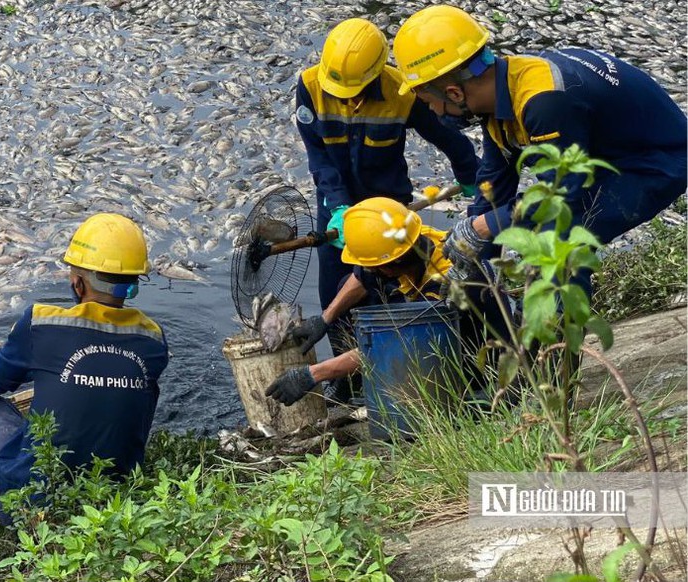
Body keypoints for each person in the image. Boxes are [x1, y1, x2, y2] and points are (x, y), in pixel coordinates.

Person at [391, 5, 688, 294]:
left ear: (454, 93)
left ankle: (559, 331)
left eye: (430, 103)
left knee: (558, 235)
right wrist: (471, 254)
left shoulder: (544, 101)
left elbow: (558, 198)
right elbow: (493, 187)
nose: (433, 111)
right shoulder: (498, 91)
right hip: (601, 154)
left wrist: (483, 227)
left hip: (656, 162)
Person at [295, 17, 481, 388]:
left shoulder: (403, 92)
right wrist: (338, 208)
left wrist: (474, 179)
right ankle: (348, 385)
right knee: (336, 289)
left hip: (386, 208)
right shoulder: (310, 86)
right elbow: (318, 155)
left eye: (356, 90)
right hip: (336, 211)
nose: (347, 98)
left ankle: (394, 375)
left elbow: (451, 140)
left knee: (390, 294)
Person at [0, 213, 169, 523]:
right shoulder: (153, 340)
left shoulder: (42, 323)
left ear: (78, 282)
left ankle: (2, 499)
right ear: (134, 283)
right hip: (113, 501)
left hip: (35, 506)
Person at [267, 198, 510, 416]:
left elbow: (400, 345)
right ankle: (353, 380)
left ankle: (468, 399)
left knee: (410, 352)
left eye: (376, 267)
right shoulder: (410, 239)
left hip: (476, 364)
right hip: (430, 332)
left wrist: (314, 374)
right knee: (347, 285)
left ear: (393, 264)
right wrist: (325, 319)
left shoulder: (446, 282)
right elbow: (362, 276)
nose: (371, 271)